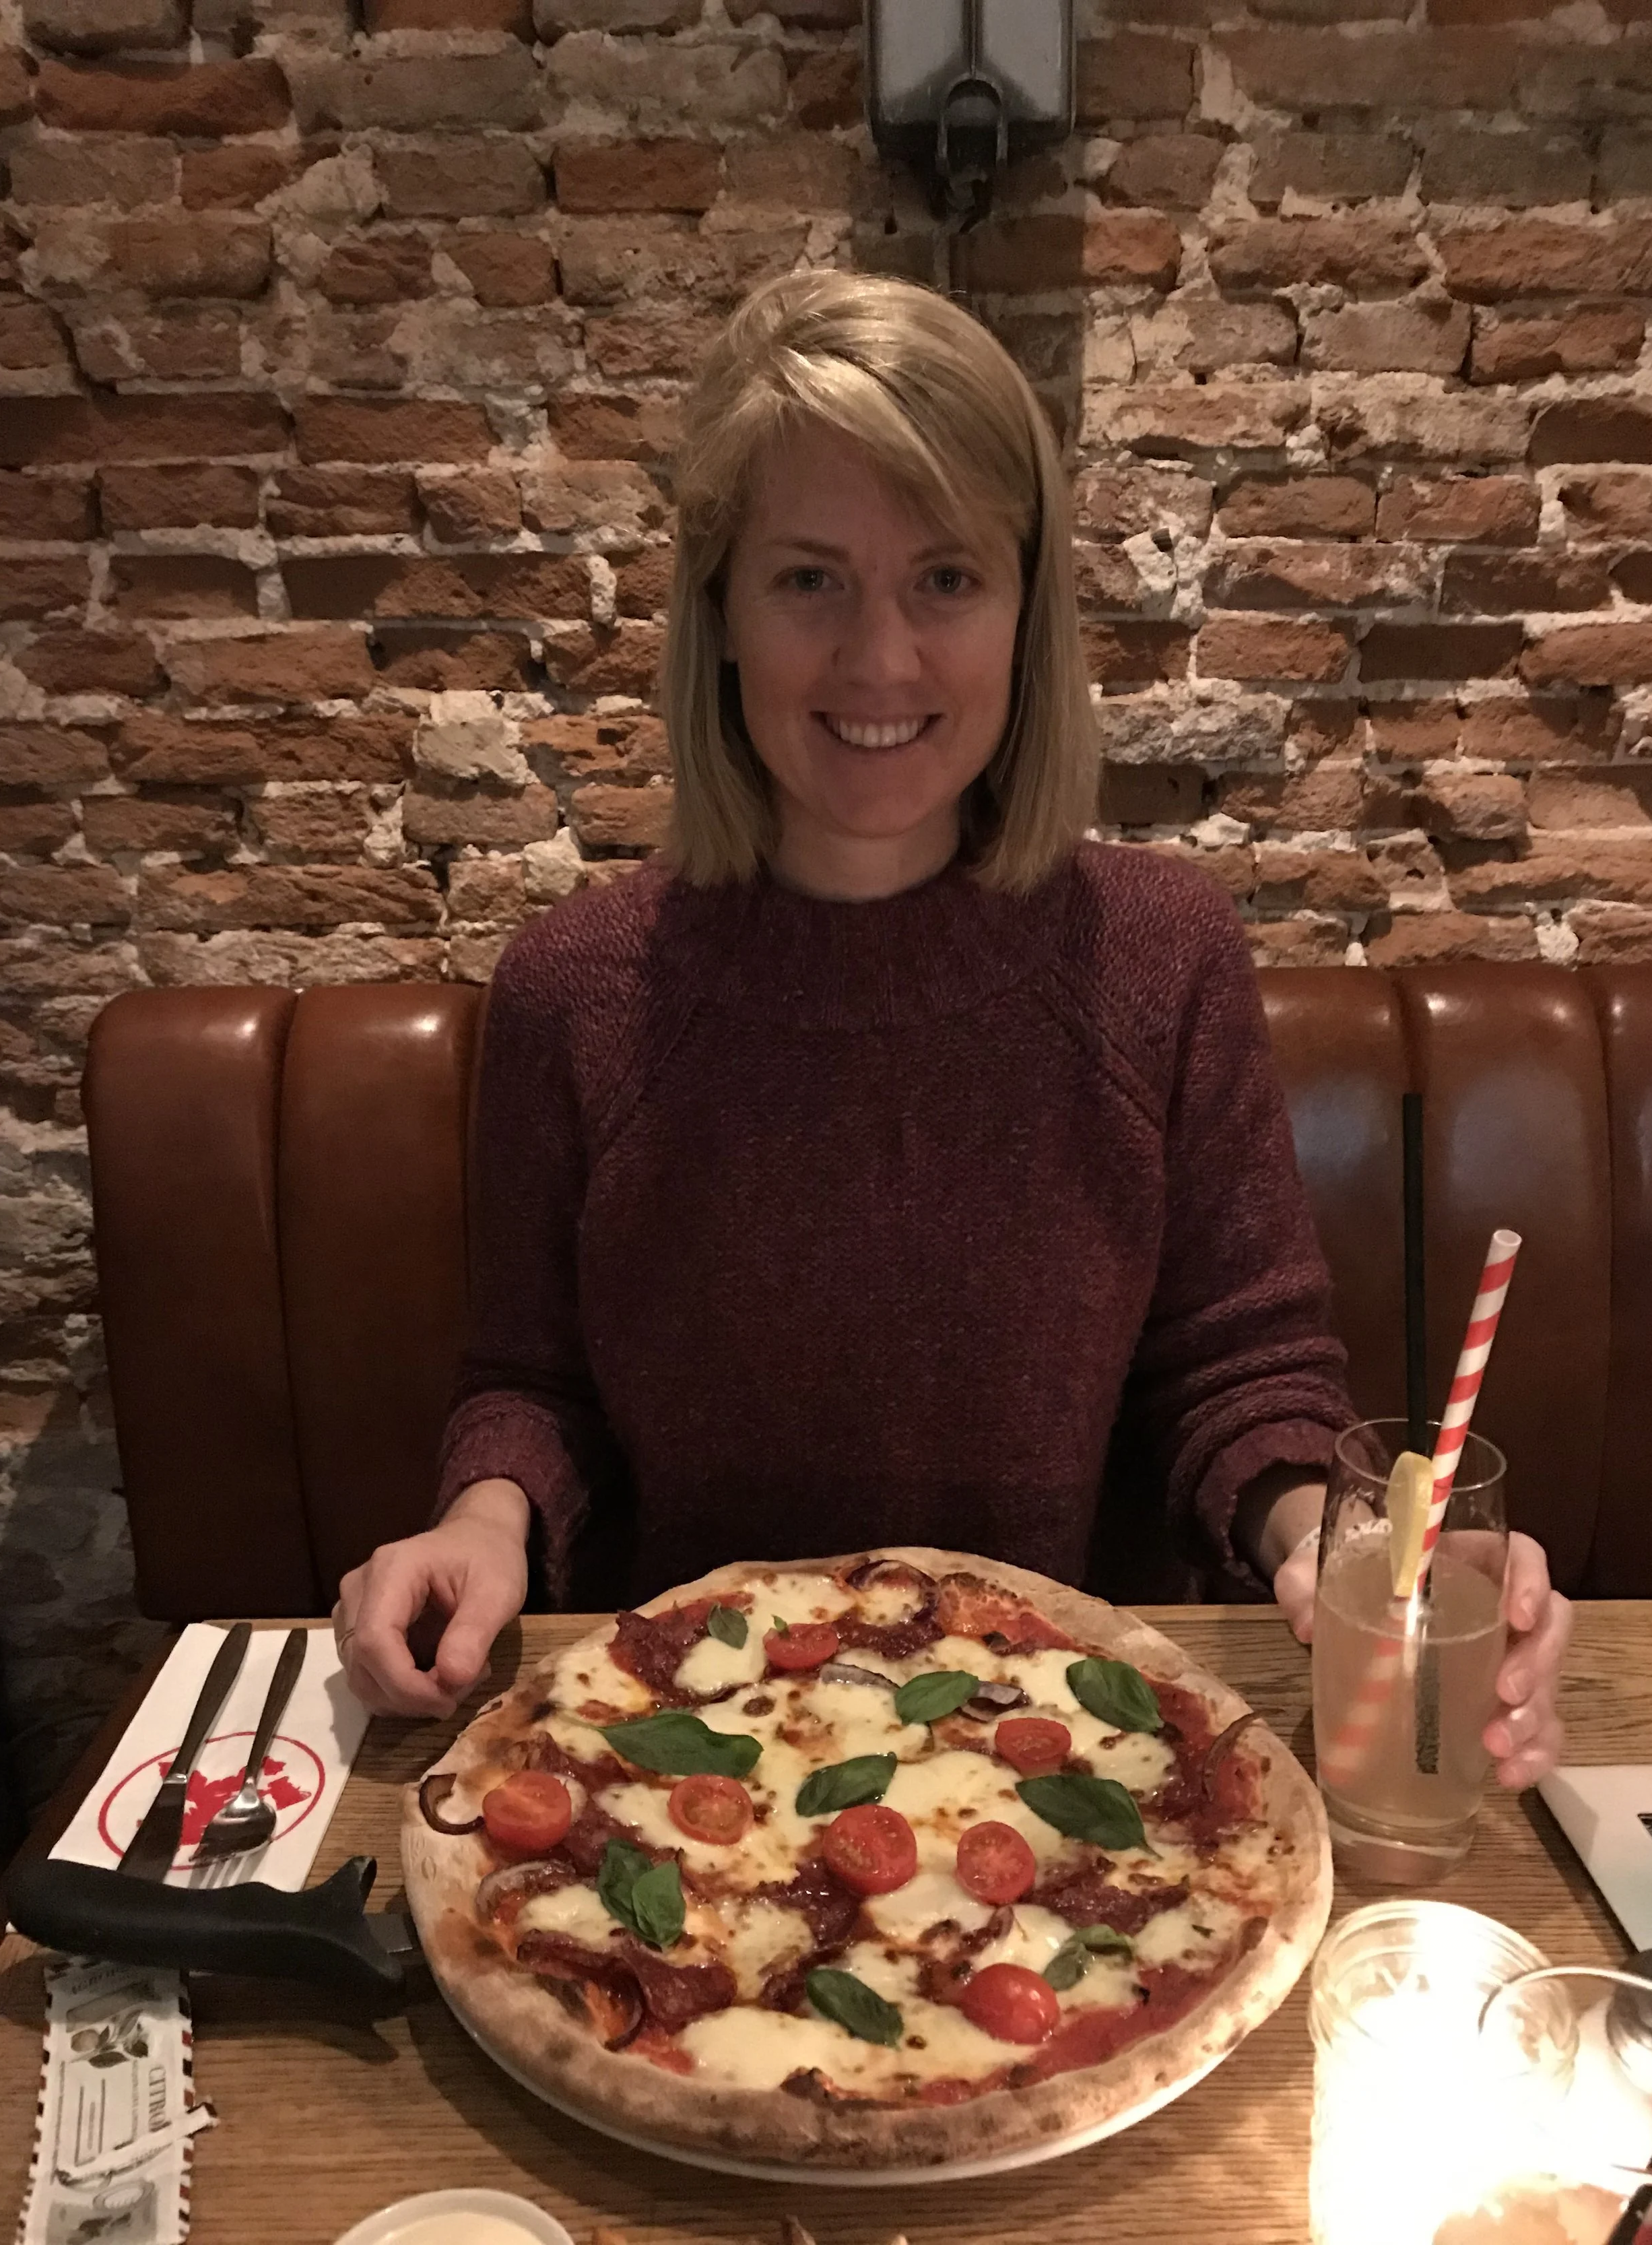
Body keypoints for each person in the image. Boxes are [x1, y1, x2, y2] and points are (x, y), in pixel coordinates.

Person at [334, 268, 1569, 1788]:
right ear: (718, 614)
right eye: (808, 580)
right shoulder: (571, 987)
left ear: (1026, 613)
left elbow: (1238, 1375)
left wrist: (1343, 1550)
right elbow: (533, 1385)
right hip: (685, 1762)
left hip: (1075, 1766)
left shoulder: (1161, 952)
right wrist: (479, 1523)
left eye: (946, 578)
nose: (881, 660)